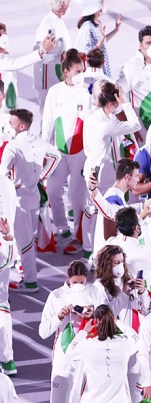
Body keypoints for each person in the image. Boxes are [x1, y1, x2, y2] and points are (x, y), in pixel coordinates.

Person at [39, 261, 100, 403]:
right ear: (68, 277)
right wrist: (59, 316)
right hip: (63, 363)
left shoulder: (94, 292)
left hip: (87, 363)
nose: (78, 285)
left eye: (82, 281)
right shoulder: (56, 296)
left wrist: (93, 317)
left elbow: (107, 321)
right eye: (75, 281)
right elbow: (43, 332)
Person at [1, 108, 61, 293]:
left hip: (18, 200)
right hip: (34, 195)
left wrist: (12, 185)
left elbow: (2, 174)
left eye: (11, 123)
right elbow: (56, 157)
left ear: (21, 126)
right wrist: (41, 177)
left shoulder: (13, 146)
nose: (8, 126)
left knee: (23, 240)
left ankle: (30, 282)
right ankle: (27, 277)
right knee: (28, 239)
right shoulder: (39, 141)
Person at [41, 48, 89, 249]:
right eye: (77, 71)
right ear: (66, 71)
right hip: (59, 153)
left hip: (81, 153)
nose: (81, 75)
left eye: (83, 71)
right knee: (52, 191)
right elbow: (48, 122)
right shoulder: (55, 92)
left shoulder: (87, 92)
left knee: (77, 196)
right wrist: (43, 149)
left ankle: (79, 234)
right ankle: (62, 228)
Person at [83, 81, 141, 191]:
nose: (118, 106)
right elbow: (136, 125)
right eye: (116, 104)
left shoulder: (91, 115)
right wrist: (124, 102)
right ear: (110, 105)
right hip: (103, 176)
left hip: (91, 169)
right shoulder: (107, 124)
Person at [117, 26, 151, 137]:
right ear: (140, 45)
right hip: (139, 131)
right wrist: (129, 126)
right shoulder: (132, 66)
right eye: (148, 43)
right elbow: (117, 94)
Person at [33, 0, 72, 109]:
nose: (64, 6)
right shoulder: (48, 24)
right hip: (46, 79)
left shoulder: (59, 21)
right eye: (60, 3)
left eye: (66, 2)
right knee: (47, 114)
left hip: (57, 75)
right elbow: (37, 53)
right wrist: (60, 57)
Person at [74, 0, 121, 77]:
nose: (104, 5)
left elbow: (103, 42)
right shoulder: (88, 27)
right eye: (102, 3)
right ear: (97, 9)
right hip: (95, 67)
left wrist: (116, 29)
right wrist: (102, 37)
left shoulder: (96, 24)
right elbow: (90, 52)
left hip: (100, 64)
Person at [0, 217, 16, 376]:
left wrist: (8, 237)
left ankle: (7, 360)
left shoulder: (3, 243)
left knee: (3, 326)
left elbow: (9, 260)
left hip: (0, 301)